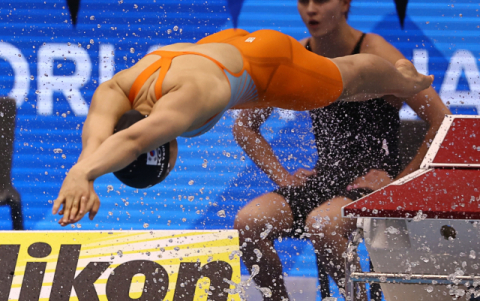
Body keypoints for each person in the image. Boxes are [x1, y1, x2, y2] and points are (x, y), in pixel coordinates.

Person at [52, 27, 433, 227]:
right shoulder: (118, 88)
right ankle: (398, 81)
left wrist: (84, 172)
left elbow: (134, 141)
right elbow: (102, 135)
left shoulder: (184, 105)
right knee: (337, 83)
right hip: (222, 48)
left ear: (164, 141)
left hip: (268, 65)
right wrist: (82, 174)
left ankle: (403, 80)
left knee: (343, 82)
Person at [232, 1, 450, 301]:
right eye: (304, 1)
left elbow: (442, 121)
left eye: (321, 0)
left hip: (372, 185)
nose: (311, 10)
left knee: (321, 224)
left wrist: (399, 186)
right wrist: (282, 176)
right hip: (326, 179)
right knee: (249, 222)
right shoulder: (297, 55)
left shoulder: (375, 52)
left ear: (345, 3)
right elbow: (244, 126)